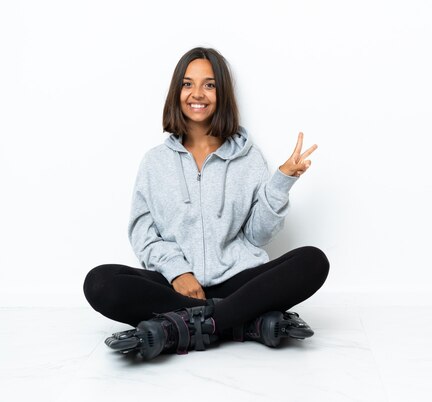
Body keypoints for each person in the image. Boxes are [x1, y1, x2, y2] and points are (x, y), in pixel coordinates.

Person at [83, 47, 330, 360]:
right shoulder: (155, 162)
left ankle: (180, 327)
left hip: (238, 283)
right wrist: (177, 272)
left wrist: (280, 181)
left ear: (222, 93)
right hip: (176, 289)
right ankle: (244, 322)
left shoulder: (248, 159)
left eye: (209, 85)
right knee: (101, 282)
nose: (197, 93)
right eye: (187, 84)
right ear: (177, 92)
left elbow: (257, 236)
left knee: (313, 260)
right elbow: (142, 233)